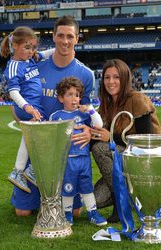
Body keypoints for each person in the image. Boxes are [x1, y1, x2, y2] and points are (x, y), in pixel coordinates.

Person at [10, 16, 94, 217]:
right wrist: (22, 118)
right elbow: (16, 99)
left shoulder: (86, 74)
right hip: (36, 147)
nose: (65, 40)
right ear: (54, 37)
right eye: (61, 35)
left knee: (75, 213)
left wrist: (89, 131)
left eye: (70, 36)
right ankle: (39, 192)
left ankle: (57, 197)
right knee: (22, 212)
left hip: (66, 153)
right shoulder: (34, 65)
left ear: (76, 39)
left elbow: (88, 112)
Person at [90, 59, 161, 223]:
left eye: (116, 77)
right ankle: (128, 197)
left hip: (141, 164)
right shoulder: (107, 105)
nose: (111, 82)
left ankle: (121, 204)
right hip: (121, 169)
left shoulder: (137, 99)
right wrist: (88, 134)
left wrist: (111, 138)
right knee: (92, 201)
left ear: (125, 78)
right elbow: (98, 137)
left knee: (101, 148)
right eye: (107, 78)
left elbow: (146, 141)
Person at [1, 26, 54, 193]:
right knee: (46, 135)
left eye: (33, 47)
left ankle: (20, 171)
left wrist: (61, 47)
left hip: (34, 106)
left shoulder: (30, 59)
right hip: (28, 106)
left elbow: (45, 54)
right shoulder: (13, 66)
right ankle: (29, 171)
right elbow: (13, 92)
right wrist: (28, 107)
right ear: (15, 45)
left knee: (30, 136)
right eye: (26, 47)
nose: (31, 51)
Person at [49, 77, 107, 226]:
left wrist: (90, 109)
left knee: (87, 187)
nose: (74, 98)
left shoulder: (84, 115)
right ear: (61, 98)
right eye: (69, 94)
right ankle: (67, 214)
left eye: (77, 95)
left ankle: (92, 213)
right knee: (67, 188)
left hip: (83, 159)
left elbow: (99, 124)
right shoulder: (56, 117)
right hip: (67, 160)